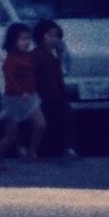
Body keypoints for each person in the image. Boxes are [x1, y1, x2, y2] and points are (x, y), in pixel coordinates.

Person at [0, 23, 46, 171]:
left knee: (41, 125)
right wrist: (20, 91)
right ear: (13, 41)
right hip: (14, 100)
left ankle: (32, 151)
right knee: (11, 135)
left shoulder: (28, 56)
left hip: (31, 97)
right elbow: (10, 80)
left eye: (28, 39)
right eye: (23, 39)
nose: (27, 42)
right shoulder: (10, 60)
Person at [34, 19, 78, 160]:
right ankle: (40, 150)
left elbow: (61, 72)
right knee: (44, 122)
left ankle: (68, 148)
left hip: (58, 93)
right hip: (42, 94)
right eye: (50, 35)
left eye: (56, 36)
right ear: (41, 36)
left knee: (68, 118)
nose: (54, 39)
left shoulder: (59, 53)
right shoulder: (35, 55)